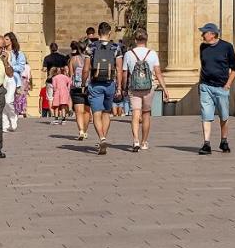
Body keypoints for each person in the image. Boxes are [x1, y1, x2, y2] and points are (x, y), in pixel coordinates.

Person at [197, 22, 235, 155]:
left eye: (204, 33)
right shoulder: (203, 47)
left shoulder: (227, 47)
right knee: (206, 116)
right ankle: (206, 144)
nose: (202, 35)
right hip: (205, 86)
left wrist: (228, 84)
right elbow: (203, 65)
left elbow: (234, 67)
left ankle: (224, 141)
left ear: (212, 34)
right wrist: (200, 83)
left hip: (222, 87)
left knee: (223, 116)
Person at [123, 28, 167, 152]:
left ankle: (135, 140)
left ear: (135, 40)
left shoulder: (129, 54)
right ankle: (144, 142)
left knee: (135, 113)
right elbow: (158, 73)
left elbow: (125, 73)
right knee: (146, 114)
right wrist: (165, 88)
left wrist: (123, 87)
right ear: (146, 40)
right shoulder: (152, 53)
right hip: (149, 87)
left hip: (134, 87)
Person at [82, 21, 123, 155]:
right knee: (106, 112)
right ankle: (103, 138)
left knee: (96, 114)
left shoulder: (91, 46)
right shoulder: (116, 47)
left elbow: (86, 69)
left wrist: (83, 84)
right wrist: (119, 87)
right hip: (110, 84)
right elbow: (119, 69)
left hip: (95, 84)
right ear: (109, 32)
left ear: (98, 33)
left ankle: (102, 138)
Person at [4, 31, 29, 129]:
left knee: (8, 100)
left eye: (7, 39)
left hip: (13, 78)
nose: (4, 41)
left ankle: (13, 116)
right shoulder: (1, 52)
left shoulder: (18, 54)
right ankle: (5, 124)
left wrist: (10, 66)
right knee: (2, 102)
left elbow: (21, 67)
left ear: (11, 40)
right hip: (1, 78)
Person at [67, 41, 89, 140]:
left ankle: (80, 130)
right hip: (88, 86)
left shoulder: (73, 59)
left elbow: (71, 75)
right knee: (87, 111)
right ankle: (84, 130)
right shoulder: (89, 58)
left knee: (78, 111)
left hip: (76, 86)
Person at [41, 41, 69, 120]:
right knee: (60, 97)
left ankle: (53, 114)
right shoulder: (62, 57)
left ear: (50, 49)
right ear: (57, 48)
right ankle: (60, 113)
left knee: (50, 98)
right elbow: (66, 69)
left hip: (50, 80)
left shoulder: (47, 58)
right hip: (61, 80)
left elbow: (44, 69)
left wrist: (43, 69)